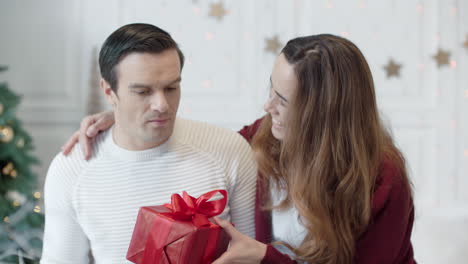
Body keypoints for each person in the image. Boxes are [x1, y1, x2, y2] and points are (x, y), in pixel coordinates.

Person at [63, 34, 416, 263]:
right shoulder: (267, 137)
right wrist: (122, 119)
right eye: (271, 90)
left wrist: (264, 258)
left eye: (282, 100)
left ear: (325, 114)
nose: (267, 107)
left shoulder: (383, 179)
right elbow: (208, 147)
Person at [41, 23, 257, 264]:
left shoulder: (229, 150)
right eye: (143, 92)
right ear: (109, 91)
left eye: (171, 87)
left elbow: (255, 254)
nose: (162, 105)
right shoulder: (71, 169)